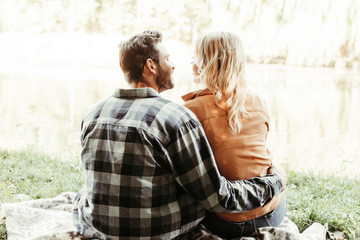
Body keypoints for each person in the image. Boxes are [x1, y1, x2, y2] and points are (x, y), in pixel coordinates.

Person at [72, 30, 284, 239]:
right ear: (151, 65)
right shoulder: (176, 118)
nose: (174, 65)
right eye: (168, 58)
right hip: (156, 231)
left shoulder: (92, 112)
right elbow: (216, 197)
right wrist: (273, 181)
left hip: (97, 225)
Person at [182, 31, 286, 238]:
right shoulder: (258, 101)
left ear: (206, 63)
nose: (191, 63)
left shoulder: (190, 110)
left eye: (195, 57)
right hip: (272, 212)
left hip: (224, 222)